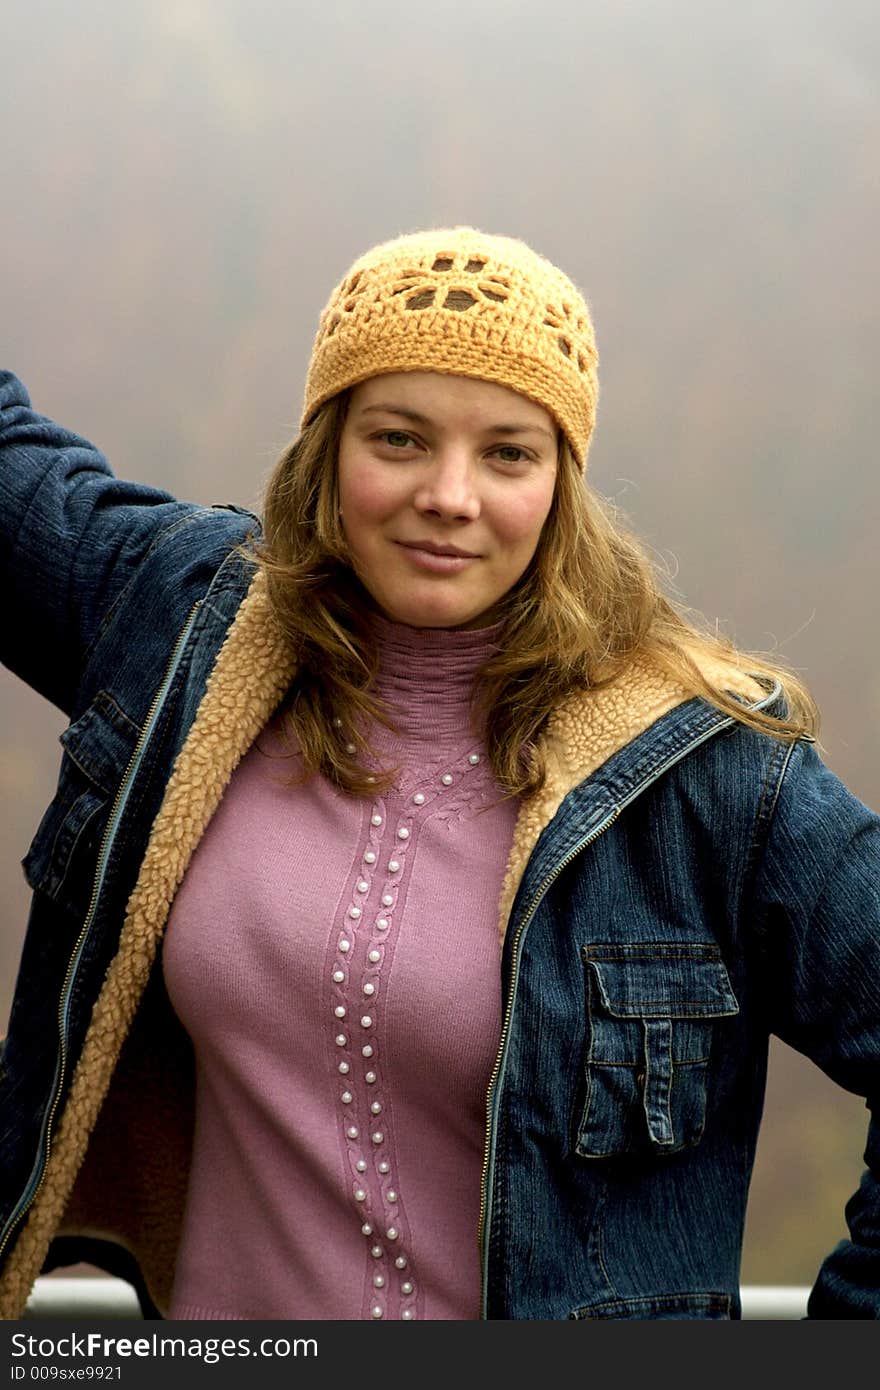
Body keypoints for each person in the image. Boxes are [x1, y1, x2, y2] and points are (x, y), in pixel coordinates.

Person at [1, 225, 879, 1322]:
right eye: (400, 438)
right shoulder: (185, 634)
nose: (450, 495)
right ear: (327, 448)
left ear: (562, 479)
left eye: (508, 452)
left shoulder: (707, 776)